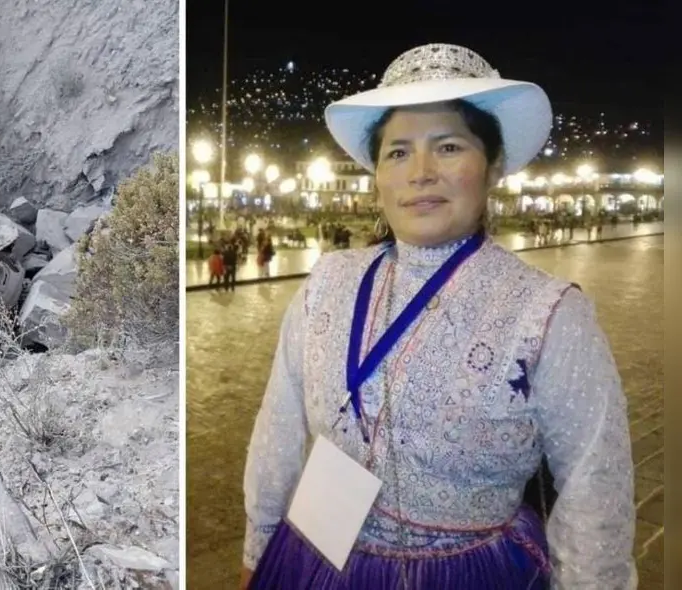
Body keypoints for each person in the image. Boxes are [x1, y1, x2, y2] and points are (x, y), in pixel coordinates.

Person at [241, 43, 636, 589]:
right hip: (313, 558)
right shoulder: (327, 284)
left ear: (492, 166)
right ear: (376, 173)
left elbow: (596, 487)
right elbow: (278, 431)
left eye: (448, 147)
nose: (421, 173)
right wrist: (259, 548)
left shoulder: (549, 315)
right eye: (398, 153)